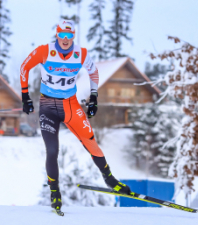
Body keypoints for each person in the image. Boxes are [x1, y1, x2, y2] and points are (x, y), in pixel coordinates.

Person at [19, 20, 131, 211]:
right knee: (52, 150)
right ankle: (54, 192)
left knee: (90, 141)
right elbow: (24, 68)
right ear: (57, 35)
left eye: (69, 36)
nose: (65, 39)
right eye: (62, 35)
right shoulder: (44, 51)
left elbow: (94, 73)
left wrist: (94, 97)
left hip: (70, 105)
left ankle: (111, 180)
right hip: (47, 106)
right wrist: (25, 96)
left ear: (73, 37)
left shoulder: (81, 53)